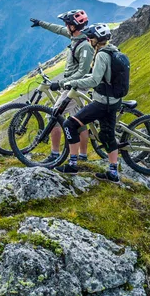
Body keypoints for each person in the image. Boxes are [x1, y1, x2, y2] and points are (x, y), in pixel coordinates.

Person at [56, 23, 123, 182]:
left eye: (90, 37)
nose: (89, 40)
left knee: (70, 125)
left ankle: (72, 164)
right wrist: (78, 80)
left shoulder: (101, 55)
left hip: (102, 102)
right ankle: (113, 173)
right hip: (113, 101)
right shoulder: (115, 51)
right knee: (108, 136)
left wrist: (73, 83)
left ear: (95, 39)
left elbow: (94, 80)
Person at [29, 10, 94, 164]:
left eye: (68, 23)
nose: (65, 25)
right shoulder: (75, 37)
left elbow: (83, 72)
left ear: (75, 25)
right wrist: (40, 23)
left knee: (53, 116)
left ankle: (54, 154)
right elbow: (57, 29)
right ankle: (82, 157)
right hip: (73, 86)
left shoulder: (85, 46)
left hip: (76, 87)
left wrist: (62, 84)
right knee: (79, 121)